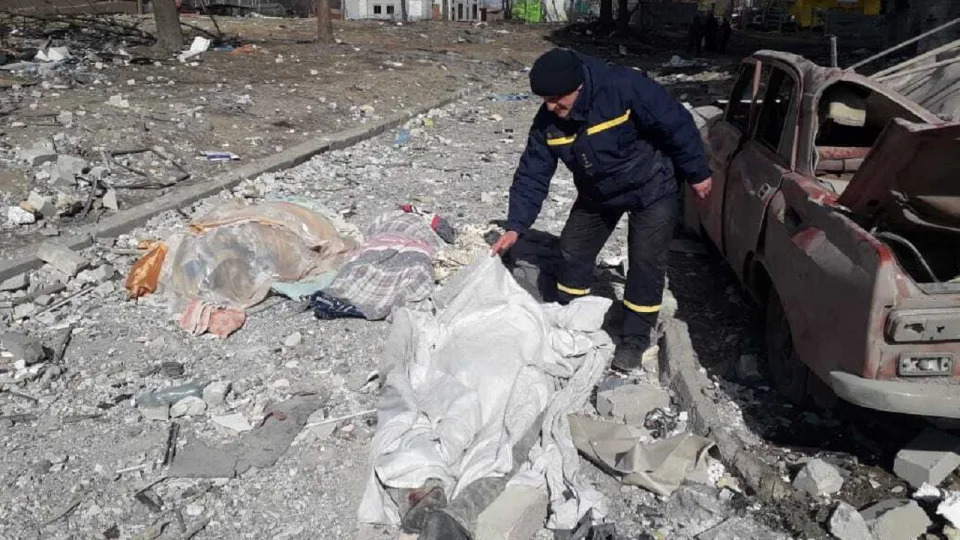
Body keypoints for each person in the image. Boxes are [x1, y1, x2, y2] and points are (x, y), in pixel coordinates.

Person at [490, 49, 712, 371]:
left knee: (646, 261)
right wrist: (516, 225)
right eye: (545, 99)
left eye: (556, 98)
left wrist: (698, 173)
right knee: (571, 250)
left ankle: (635, 338)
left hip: (651, 186)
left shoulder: (623, 87)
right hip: (599, 193)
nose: (551, 107)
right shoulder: (547, 123)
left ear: (578, 86)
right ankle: (571, 310)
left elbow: (675, 121)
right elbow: (532, 173)